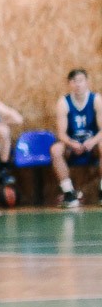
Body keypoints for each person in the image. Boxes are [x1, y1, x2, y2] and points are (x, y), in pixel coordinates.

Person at [51, 68, 100, 208]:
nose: (78, 84)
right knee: (55, 149)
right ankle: (68, 192)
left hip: (92, 144)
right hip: (72, 144)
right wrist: (72, 144)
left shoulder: (96, 99)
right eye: (74, 81)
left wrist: (93, 141)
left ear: (87, 82)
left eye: (80, 80)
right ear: (69, 84)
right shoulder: (63, 102)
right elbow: (61, 134)